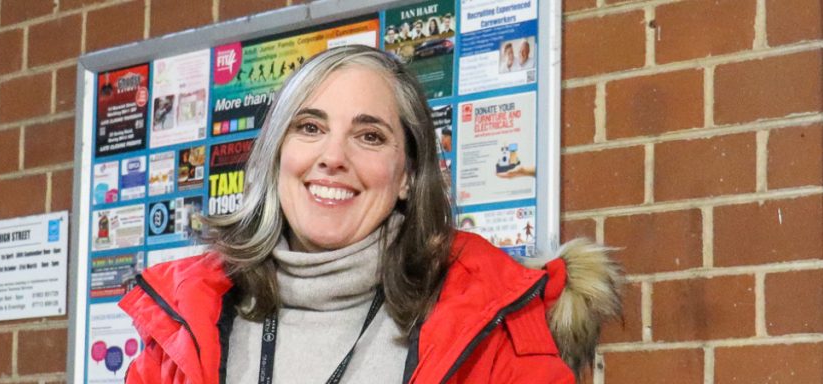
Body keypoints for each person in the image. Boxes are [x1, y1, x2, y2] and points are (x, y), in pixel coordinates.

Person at [119, 45, 621, 383]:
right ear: (275, 155)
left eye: (369, 136)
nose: (333, 157)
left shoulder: (495, 325)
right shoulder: (184, 322)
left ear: (407, 175)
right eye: (310, 128)